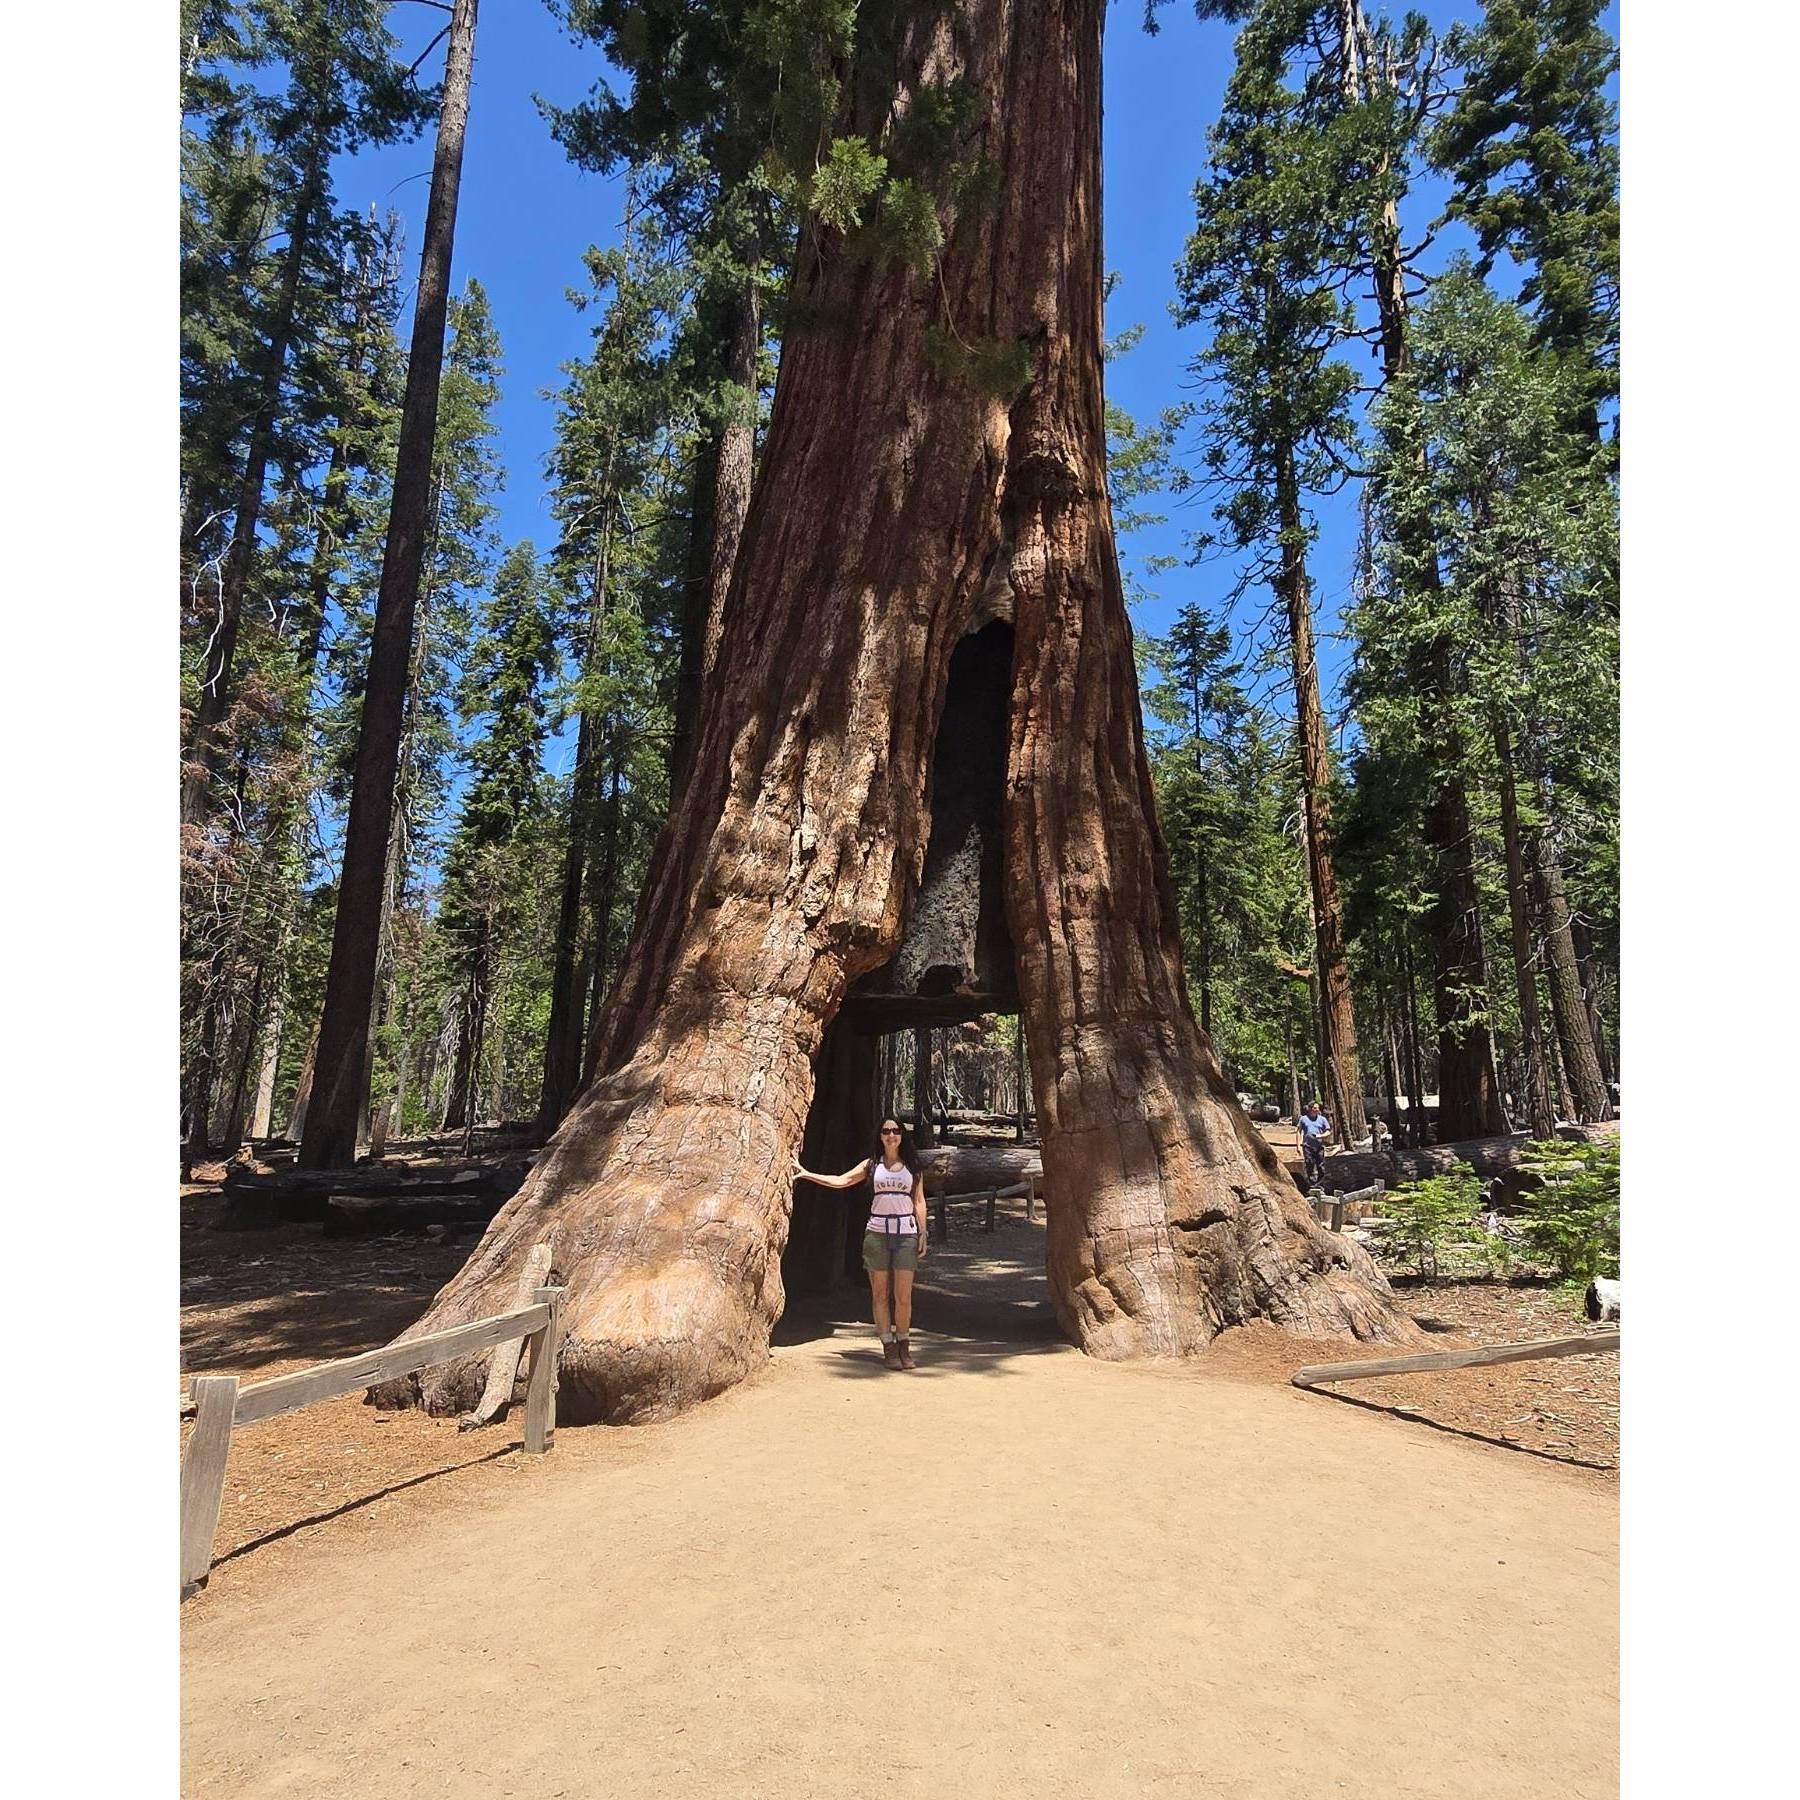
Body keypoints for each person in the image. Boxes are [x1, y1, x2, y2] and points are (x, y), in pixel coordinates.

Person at [794, 1117, 929, 1370]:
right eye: (886, 1131)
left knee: (903, 1296)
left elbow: (919, 1201)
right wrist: (808, 1174)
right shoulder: (871, 1166)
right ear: (880, 1136)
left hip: (905, 1234)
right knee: (879, 1293)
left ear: (902, 1135)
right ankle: (888, 1346)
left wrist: (923, 1232)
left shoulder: (913, 1167)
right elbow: (842, 1180)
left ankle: (904, 1344)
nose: (891, 1135)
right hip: (877, 1233)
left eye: (896, 1131)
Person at [1298, 1100, 1332, 1189]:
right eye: (1315, 1108)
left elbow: (1328, 1131)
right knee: (1309, 1164)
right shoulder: (1303, 1119)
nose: (1317, 1109)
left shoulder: (1322, 1119)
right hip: (1307, 1146)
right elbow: (1298, 1131)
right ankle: (1311, 1185)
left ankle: (1320, 1185)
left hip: (1319, 1146)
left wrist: (1320, 1136)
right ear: (1310, 1109)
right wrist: (1298, 1145)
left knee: (1321, 1166)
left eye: (1318, 1108)